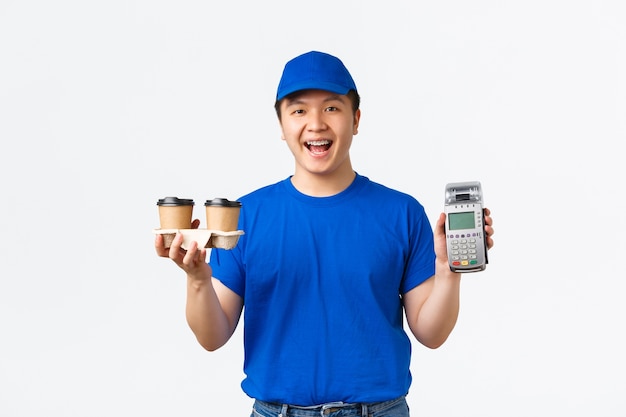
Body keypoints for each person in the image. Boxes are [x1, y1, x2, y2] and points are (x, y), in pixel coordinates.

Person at [155, 50, 494, 417]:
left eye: (332, 108)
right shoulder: (244, 216)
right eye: (299, 110)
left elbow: (431, 333)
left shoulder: (402, 213)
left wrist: (447, 269)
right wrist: (198, 279)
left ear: (356, 119)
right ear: (281, 125)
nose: (316, 123)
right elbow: (212, 337)